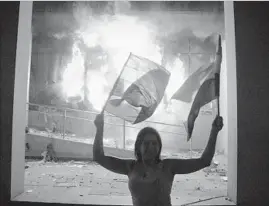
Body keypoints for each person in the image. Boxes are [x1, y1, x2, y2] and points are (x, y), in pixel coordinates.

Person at [93, 112, 223, 206]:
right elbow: (99, 157)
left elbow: (204, 161)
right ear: (139, 146)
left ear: (159, 147)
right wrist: (99, 128)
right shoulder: (130, 167)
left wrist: (214, 131)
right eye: (146, 143)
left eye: (154, 144)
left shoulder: (169, 166)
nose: (151, 147)